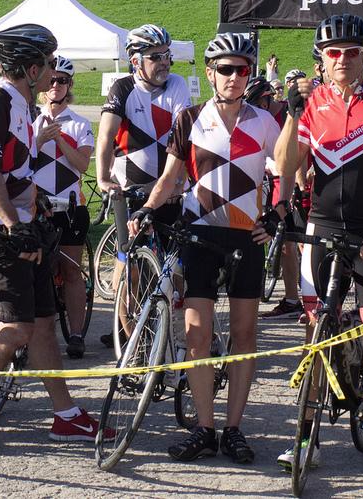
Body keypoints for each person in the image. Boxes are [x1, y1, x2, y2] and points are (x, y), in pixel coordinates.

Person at [0, 24, 111, 454]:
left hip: (22, 220)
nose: (55, 74)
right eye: (51, 65)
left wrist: (32, 216)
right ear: (34, 68)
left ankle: (65, 415)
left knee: (41, 323)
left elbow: (20, 167)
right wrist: (13, 226)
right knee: (16, 327)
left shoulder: (20, 104)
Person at [274, 13, 363, 484]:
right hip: (322, 227)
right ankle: (304, 437)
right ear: (321, 57)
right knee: (316, 335)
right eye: (332, 52)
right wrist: (293, 115)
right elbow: (286, 163)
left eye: (351, 52)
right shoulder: (312, 103)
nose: (341, 60)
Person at [128, 33, 284, 463]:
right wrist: (146, 208)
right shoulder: (190, 118)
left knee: (244, 336)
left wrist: (278, 213)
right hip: (200, 236)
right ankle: (205, 427)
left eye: (243, 70)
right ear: (210, 73)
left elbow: (288, 169)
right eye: (226, 69)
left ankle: (234, 428)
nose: (235, 77)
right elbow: (171, 178)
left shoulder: (266, 121)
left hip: (246, 237)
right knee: (196, 336)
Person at [95, 23, 191, 348]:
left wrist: (180, 180)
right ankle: (132, 342)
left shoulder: (176, 84)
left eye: (167, 55)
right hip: (130, 191)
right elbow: (106, 137)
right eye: (155, 57)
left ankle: (181, 338)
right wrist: (103, 176)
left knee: (177, 270)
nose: (164, 62)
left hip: (168, 188)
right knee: (128, 273)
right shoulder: (122, 88)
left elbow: (183, 133)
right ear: (136, 61)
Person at [31, 55, 95, 358]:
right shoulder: (30, 119)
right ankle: (39, 335)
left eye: (63, 81)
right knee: (39, 272)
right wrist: (39, 138)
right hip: (37, 206)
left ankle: (77, 333)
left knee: (71, 271)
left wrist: (61, 141)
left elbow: (82, 164)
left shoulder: (80, 123)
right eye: (52, 80)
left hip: (69, 206)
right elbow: (20, 162)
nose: (56, 86)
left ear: (69, 86)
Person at [246, 77, 302, 321]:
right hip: (272, 179)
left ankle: (295, 299)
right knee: (286, 241)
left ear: (265, 101)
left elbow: (299, 150)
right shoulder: (264, 115)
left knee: (293, 243)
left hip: (294, 182)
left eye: (256, 106)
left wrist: (301, 180)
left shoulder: (287, 114)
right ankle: (291, 298)